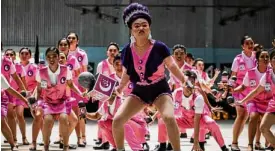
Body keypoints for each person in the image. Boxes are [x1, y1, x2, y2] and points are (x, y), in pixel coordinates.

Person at [113, 3, 187, 151]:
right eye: (137, 26)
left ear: (149, 28)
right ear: (131, 30)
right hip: (139, 91)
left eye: (144, 25)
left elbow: (172, 66)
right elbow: (127, 73)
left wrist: (185, 81)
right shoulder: (127, 50)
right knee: (117, 120)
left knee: (169, 118)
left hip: (160, 90)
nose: (141, 28)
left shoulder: (160, 47)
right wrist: (120, 87)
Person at [35, 47, 85, 151]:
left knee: (64, 118)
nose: (51, 58)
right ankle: (46, 147)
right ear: (46, 58)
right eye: (49, 56)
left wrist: (81, 93)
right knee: (48, 120)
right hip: (48, 102)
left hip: (62, 101)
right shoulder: (41, 72)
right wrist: (36, 104)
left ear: (58, 57)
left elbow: (71, 85)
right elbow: (39, 90)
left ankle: (65, 146)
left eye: (54, 56)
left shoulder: (65, 70)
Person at [238, 50, 275, 150]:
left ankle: (267, 143)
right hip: (255, 101)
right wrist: (241, 100)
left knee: (263, 126)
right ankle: (251, 144)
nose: (265, 59)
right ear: (257, 60)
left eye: (267, 56)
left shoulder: (269, 71)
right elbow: (253, 90)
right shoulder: (266, 74)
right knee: (255, 118)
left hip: (268, 101)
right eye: (262, 57)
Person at [230, 35, 257, 151]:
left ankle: (252, 143)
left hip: (253, 91)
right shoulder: (238, 59)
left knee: (246, 117)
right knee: (240, 116)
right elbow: (233, 76)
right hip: (240, 91)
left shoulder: (257, 57)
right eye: (247, 43)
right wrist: (230, 90)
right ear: (243, 46)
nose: (250, 45)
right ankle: (234, 143)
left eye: (251, 43)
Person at [1, 74, 29, 151]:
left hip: (2, 99)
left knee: (1, 121)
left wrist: (24, 99)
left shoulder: (0, 77)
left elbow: (11, 90)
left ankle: (13, 144)